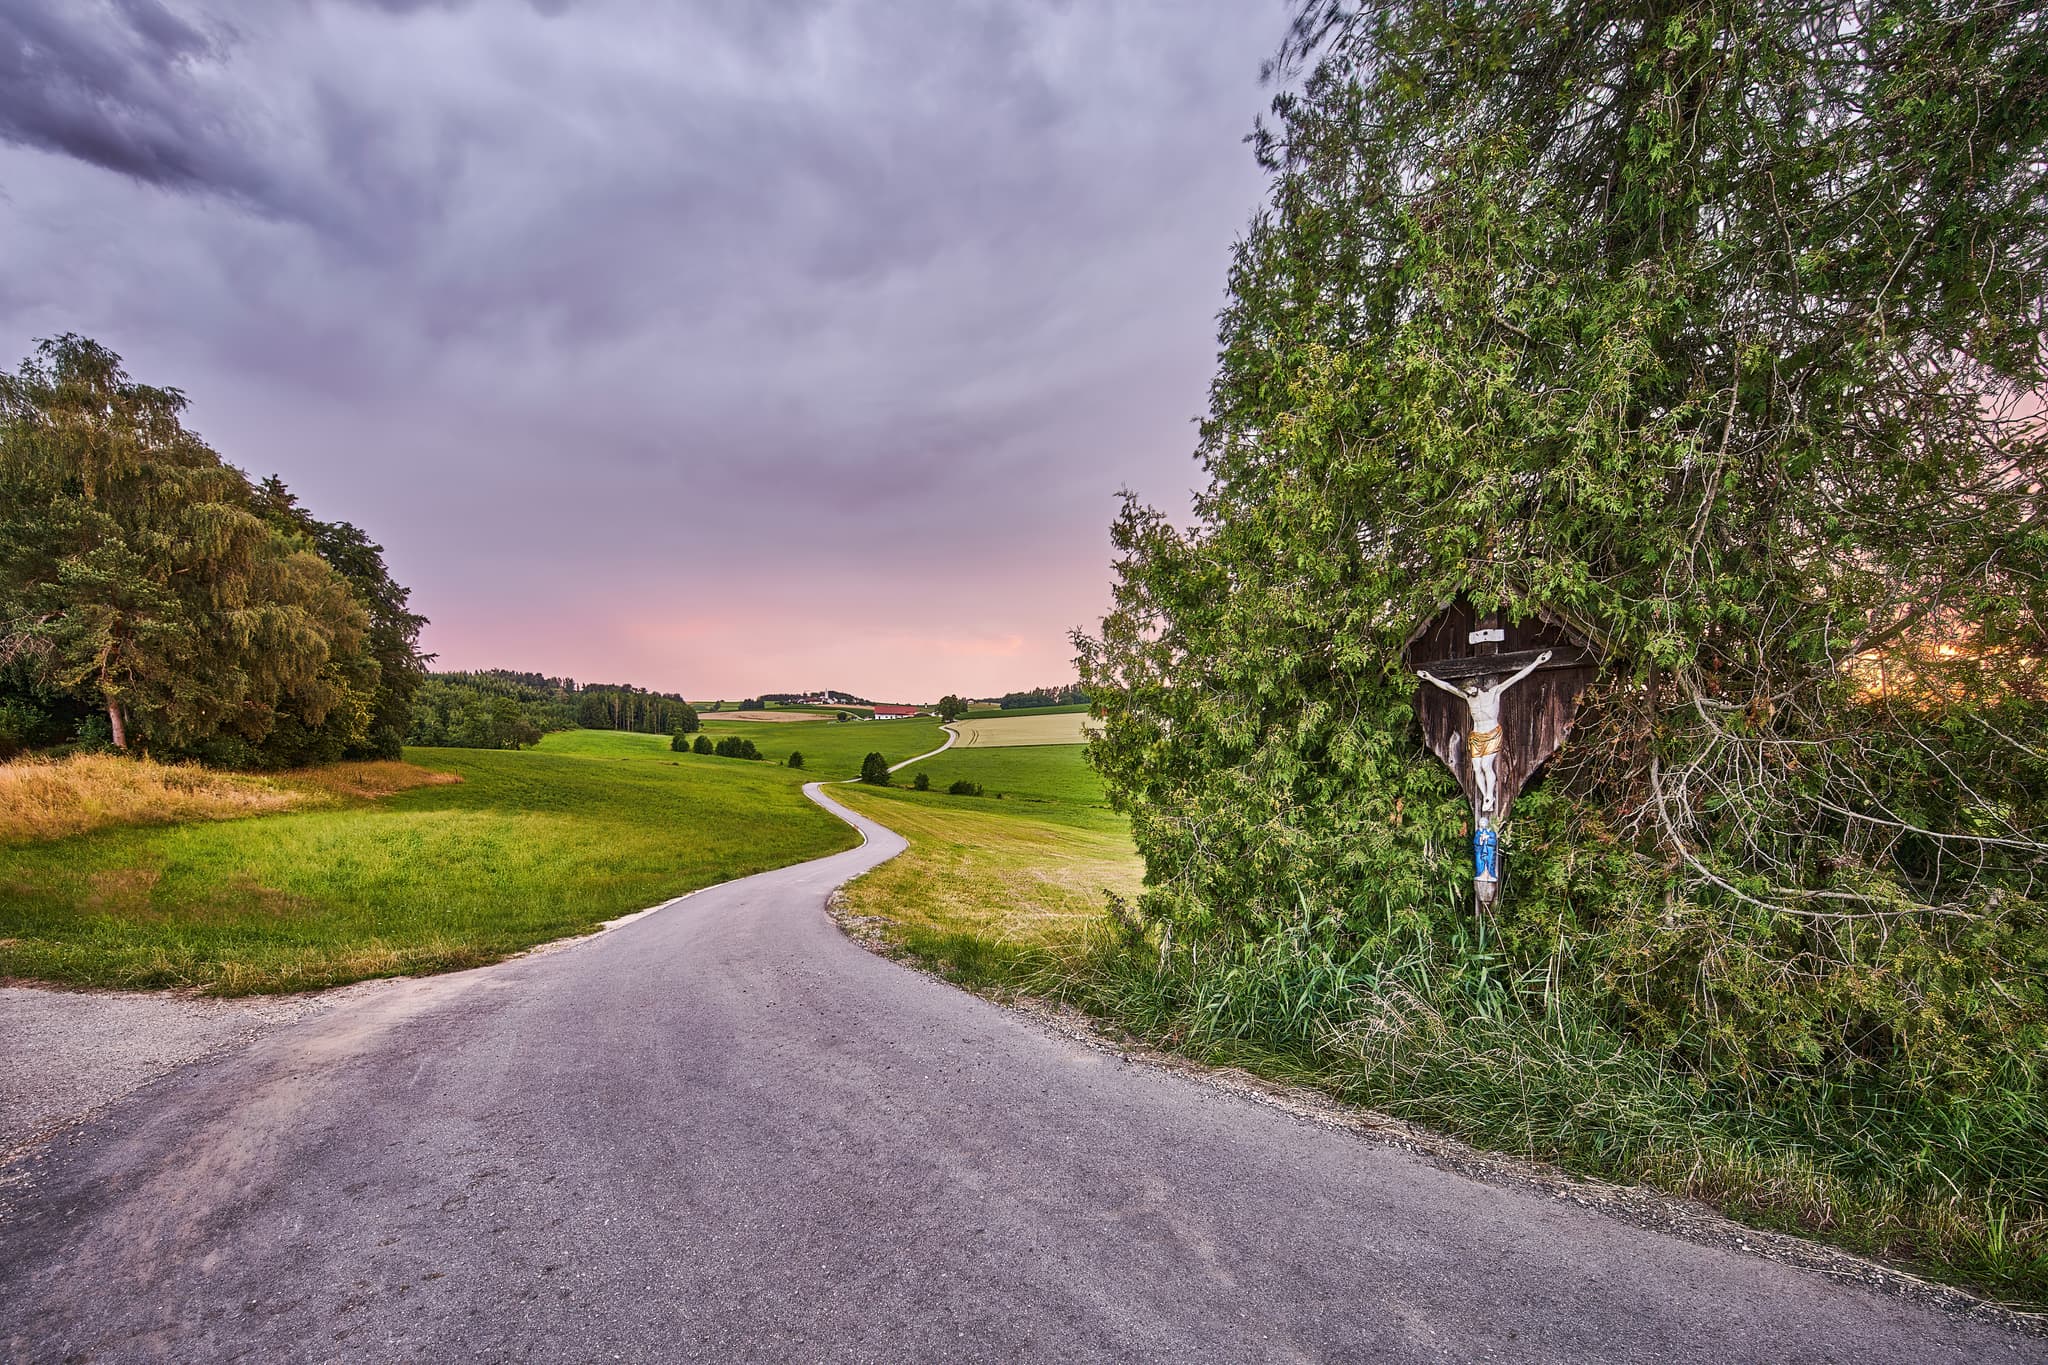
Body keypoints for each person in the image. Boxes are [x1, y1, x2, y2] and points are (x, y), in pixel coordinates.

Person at [1417, 650, 1552, 813]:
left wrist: (1537, 662)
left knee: (1486, 765)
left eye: (1470, 689)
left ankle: (1489, 796)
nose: (1468, 693)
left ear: (1475, 686)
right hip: (1476, 735)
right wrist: (1429, 677)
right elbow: (1447, 687)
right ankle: (1485, 795)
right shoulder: (1468, 697)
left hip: (1491, 733)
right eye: (1466, 691)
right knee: (1476, 768)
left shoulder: (1494, 692)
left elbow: (1517, 677)